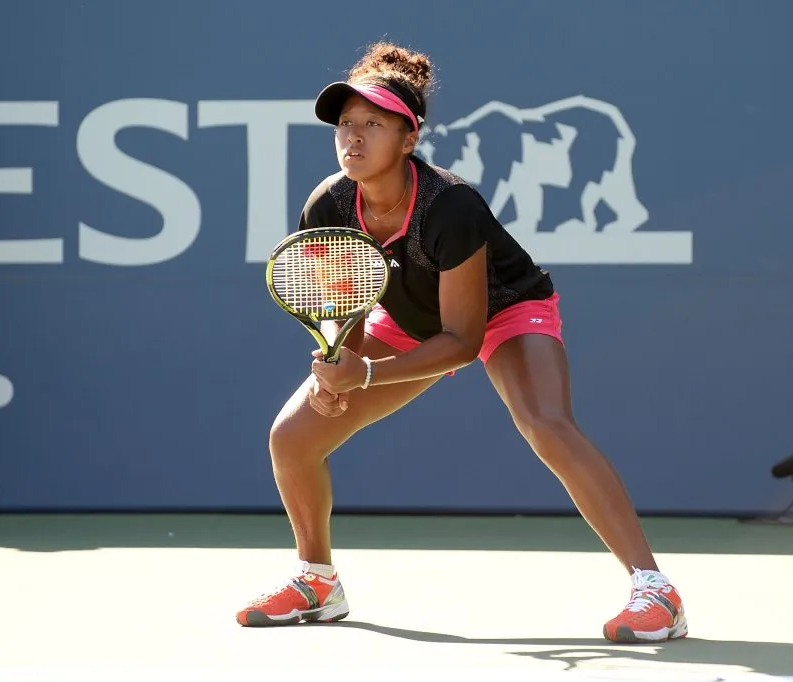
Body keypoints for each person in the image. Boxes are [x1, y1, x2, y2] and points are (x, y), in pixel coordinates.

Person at [236, 41, 688, 644]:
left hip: (502, 310)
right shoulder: (330, 204)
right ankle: (317, 581)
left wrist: (364, 377)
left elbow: (462, 339)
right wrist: (337, 364)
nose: (353, 137)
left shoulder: (451, 206)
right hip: (404, 319)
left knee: (546, 424)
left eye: (373, 123)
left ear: (408, 138)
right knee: (292, 438)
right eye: (345, 124)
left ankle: (655, 591)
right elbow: (339, 303)